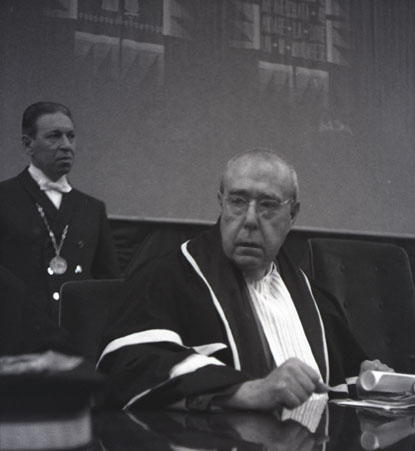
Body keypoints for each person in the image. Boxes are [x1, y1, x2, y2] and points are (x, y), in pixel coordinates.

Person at [97, 149, 390, 412]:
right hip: (222, 449)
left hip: (309, 448)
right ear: (221, 203)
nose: (250, 219)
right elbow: (130, 367)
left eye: (267, 205)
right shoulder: (166, 278)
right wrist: (246, 391)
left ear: (293, 215)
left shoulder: (316, 300)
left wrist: (367, 381)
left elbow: (339, 385)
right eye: (237, 201)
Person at [0, 101, 120, 322]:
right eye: (54, 136)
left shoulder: (91, 208)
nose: (66, 145)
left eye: (70, 136)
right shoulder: (4, 198)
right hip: (17, 333)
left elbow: (108, 282)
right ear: (28, 145)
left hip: (76, 333)